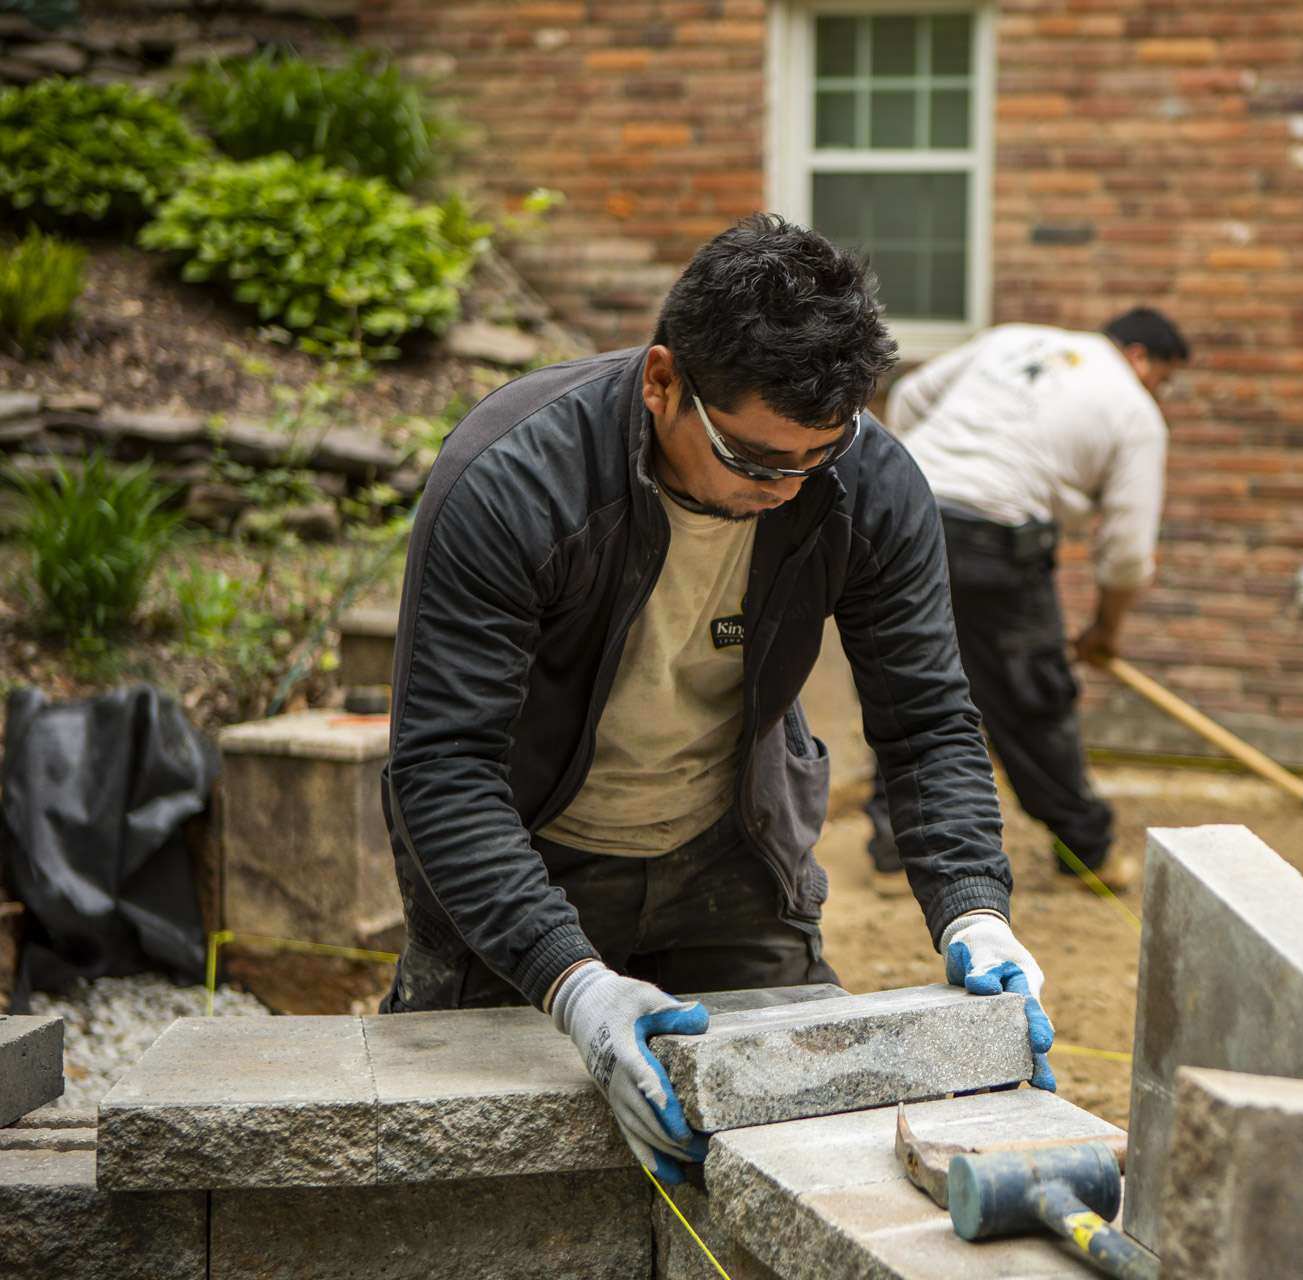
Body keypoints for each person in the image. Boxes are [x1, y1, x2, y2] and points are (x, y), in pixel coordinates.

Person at [378, 214, 1054, 1185]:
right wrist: (570, 980)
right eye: (755, 459)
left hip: (730, 862)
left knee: (796, 1155)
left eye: (816, 457)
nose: (788, 490)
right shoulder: (514, 482)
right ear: (663, 384)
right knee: (486, 1177)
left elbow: (928, 722)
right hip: (527, 861)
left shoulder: (863, 480)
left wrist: (973, 911)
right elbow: (444, 767)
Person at [864, 310, 1189, 891]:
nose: (1157, 392)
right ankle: (1085, 853)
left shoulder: (1014, 339)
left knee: (910, 678)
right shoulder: (1134, 410)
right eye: (1162, 378)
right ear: (1140, 356)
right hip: (997, 540)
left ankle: (894, 852)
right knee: (1032, 697)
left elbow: (911, 393)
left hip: (905, 517)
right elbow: (1126, 554)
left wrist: (915, 473)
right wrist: (1105, 632)